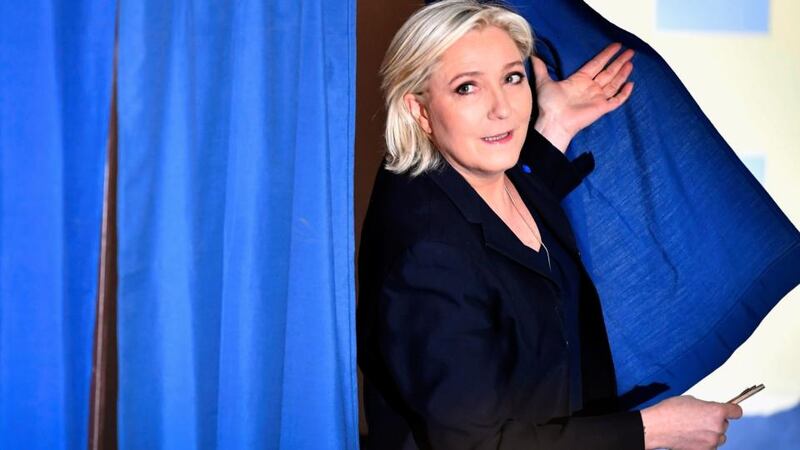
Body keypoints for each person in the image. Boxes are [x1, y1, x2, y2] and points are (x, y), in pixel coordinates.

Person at [356, 1, 743, 449]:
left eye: (511, 77)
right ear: (420, 111)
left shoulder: (487, 176)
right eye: (467, 88)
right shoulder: (427, 255)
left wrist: (552, 125)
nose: (501, 108)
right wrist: (652, 430)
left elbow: (517, 203)